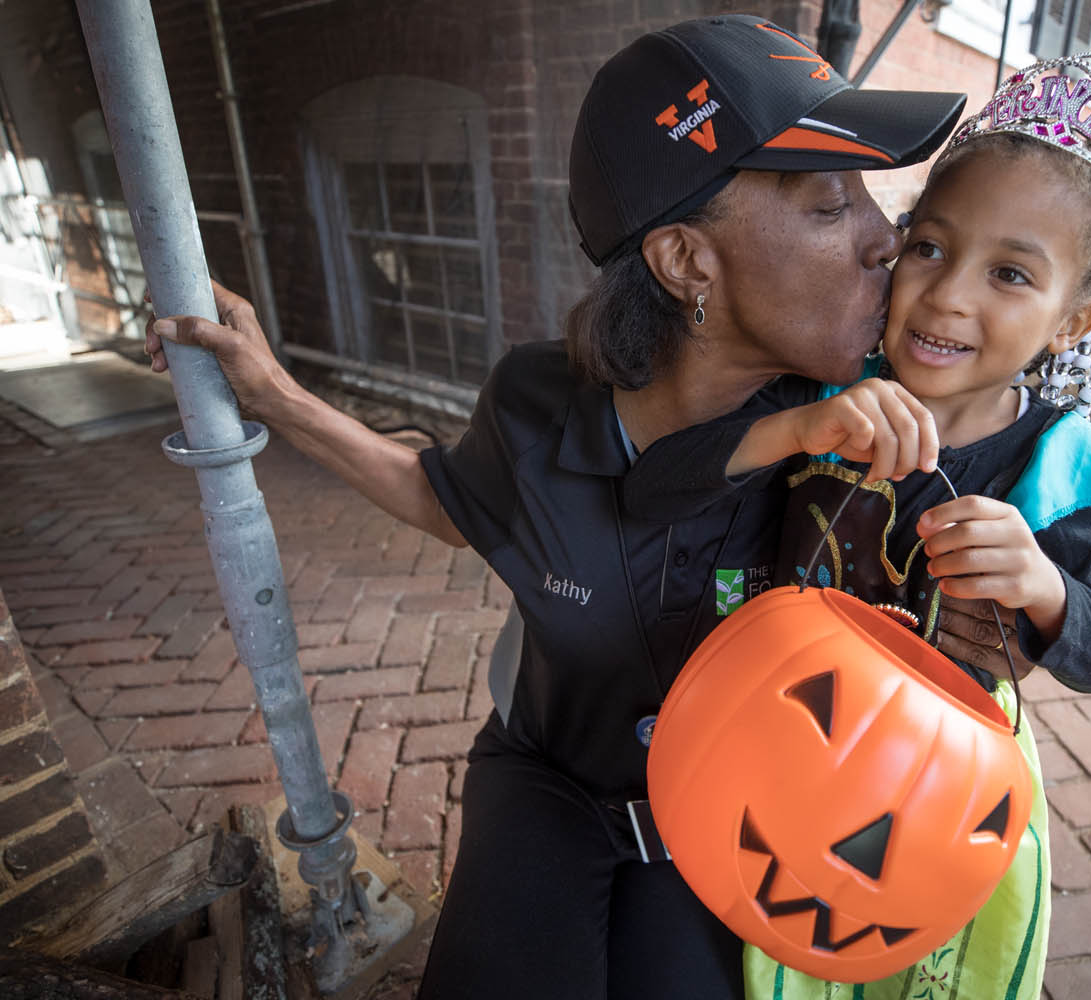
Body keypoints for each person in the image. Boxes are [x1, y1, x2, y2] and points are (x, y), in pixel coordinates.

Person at [144, 16, 985, 999]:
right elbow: (444, 499)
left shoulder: (853, 440)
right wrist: (274, 393)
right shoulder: (538, 403)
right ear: (686, 262)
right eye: (829, 206)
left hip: (738, 820)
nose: (884, 237)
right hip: (546, 783)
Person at [624, 54, 1091, 999]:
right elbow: (655, 487)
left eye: (1010, 275)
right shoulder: (825, 397)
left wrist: (1041, 583)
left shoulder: (1060, 474)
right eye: (931, 248)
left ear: (1074, 321)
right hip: (776, 754)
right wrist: (787, 430)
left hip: (934, 803)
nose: (950, 296)